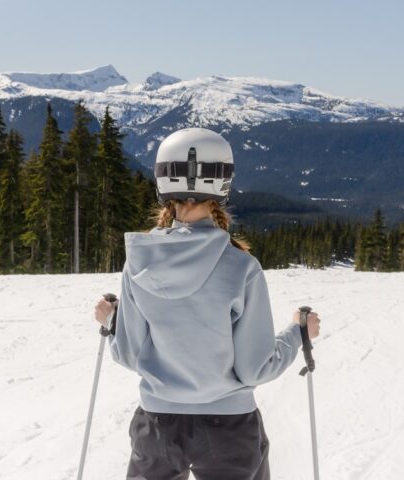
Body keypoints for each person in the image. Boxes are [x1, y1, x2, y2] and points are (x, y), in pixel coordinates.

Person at [93, 127, 321, 480]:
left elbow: (129, 354)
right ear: (222, 185)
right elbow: (254, 368)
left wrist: (113, 323)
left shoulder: (138, 263)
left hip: (157, 425)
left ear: (163, 182)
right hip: (228, 426)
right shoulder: (241, 267)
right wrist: (297, 332)